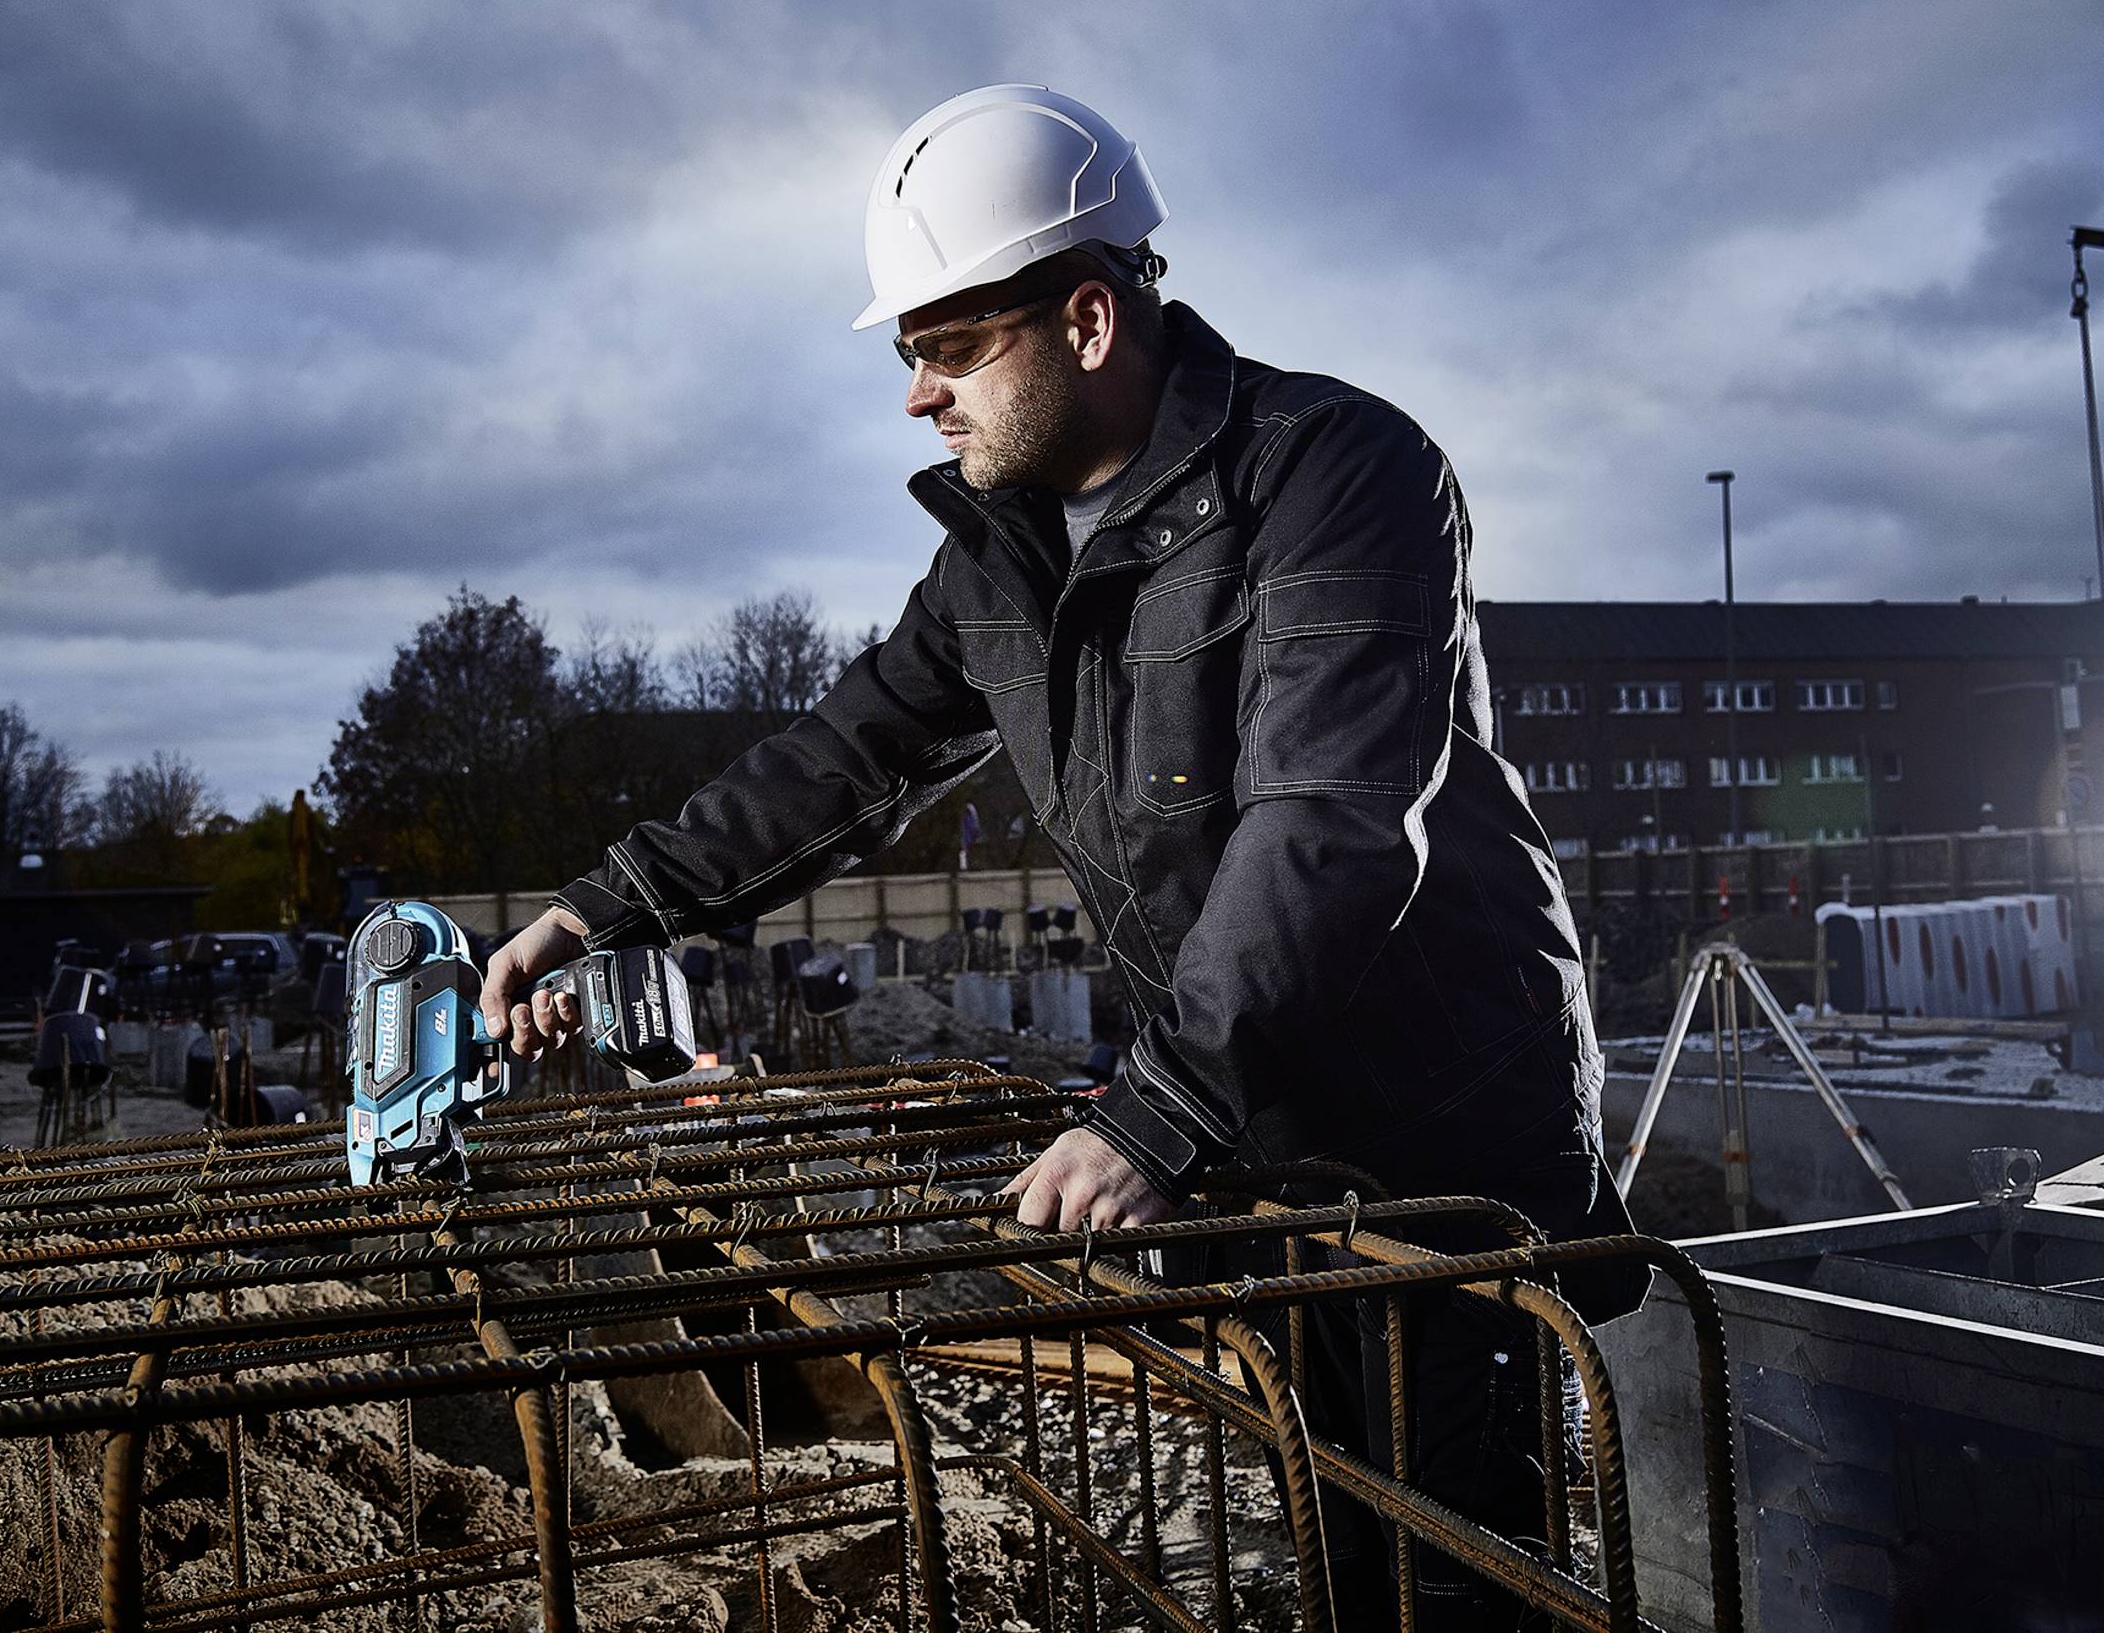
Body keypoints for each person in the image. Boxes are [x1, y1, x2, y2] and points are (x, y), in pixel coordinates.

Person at [481, 84, 1642, 1630]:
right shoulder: (1006, 557)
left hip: (1442, 1156)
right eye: (908, 354)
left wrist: (1155, 1114)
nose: (916, 397)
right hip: (1264, 1142)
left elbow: (1335, 825)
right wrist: (601, 907)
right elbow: (845, 757)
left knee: (1469, 1573)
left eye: (949, 348)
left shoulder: (1339, 476)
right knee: (1344, 1545)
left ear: (1087, 320)